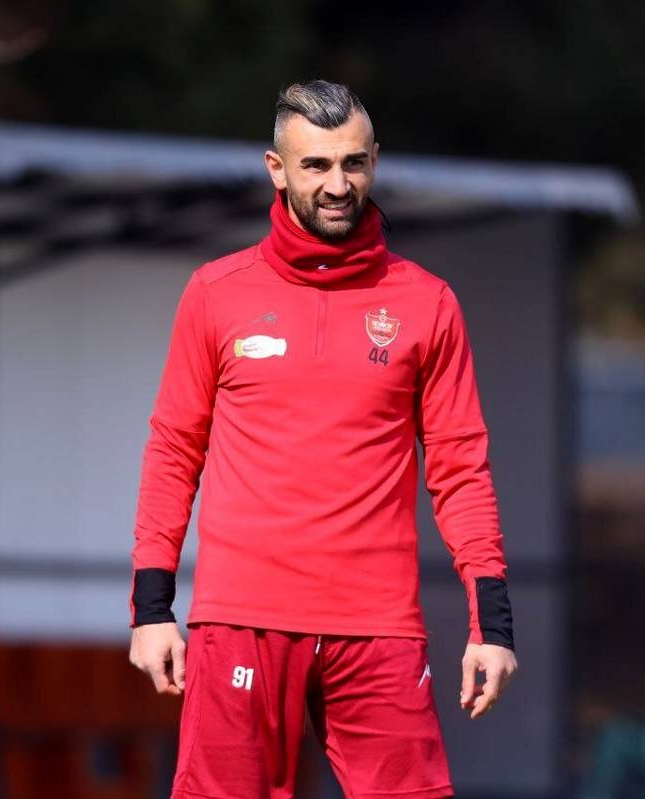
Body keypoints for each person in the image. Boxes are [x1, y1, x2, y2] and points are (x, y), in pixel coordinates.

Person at [127, 79, 517, 799]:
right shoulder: (216, 293)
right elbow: (174, 452)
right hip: (240, 619)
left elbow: (461, 468)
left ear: (375, 161)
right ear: (277, 170)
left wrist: (491, 623)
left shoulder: (427, 303)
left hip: (378, 626)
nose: (338, 185)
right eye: (316, 165)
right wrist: (151, 609)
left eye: (353, 163)